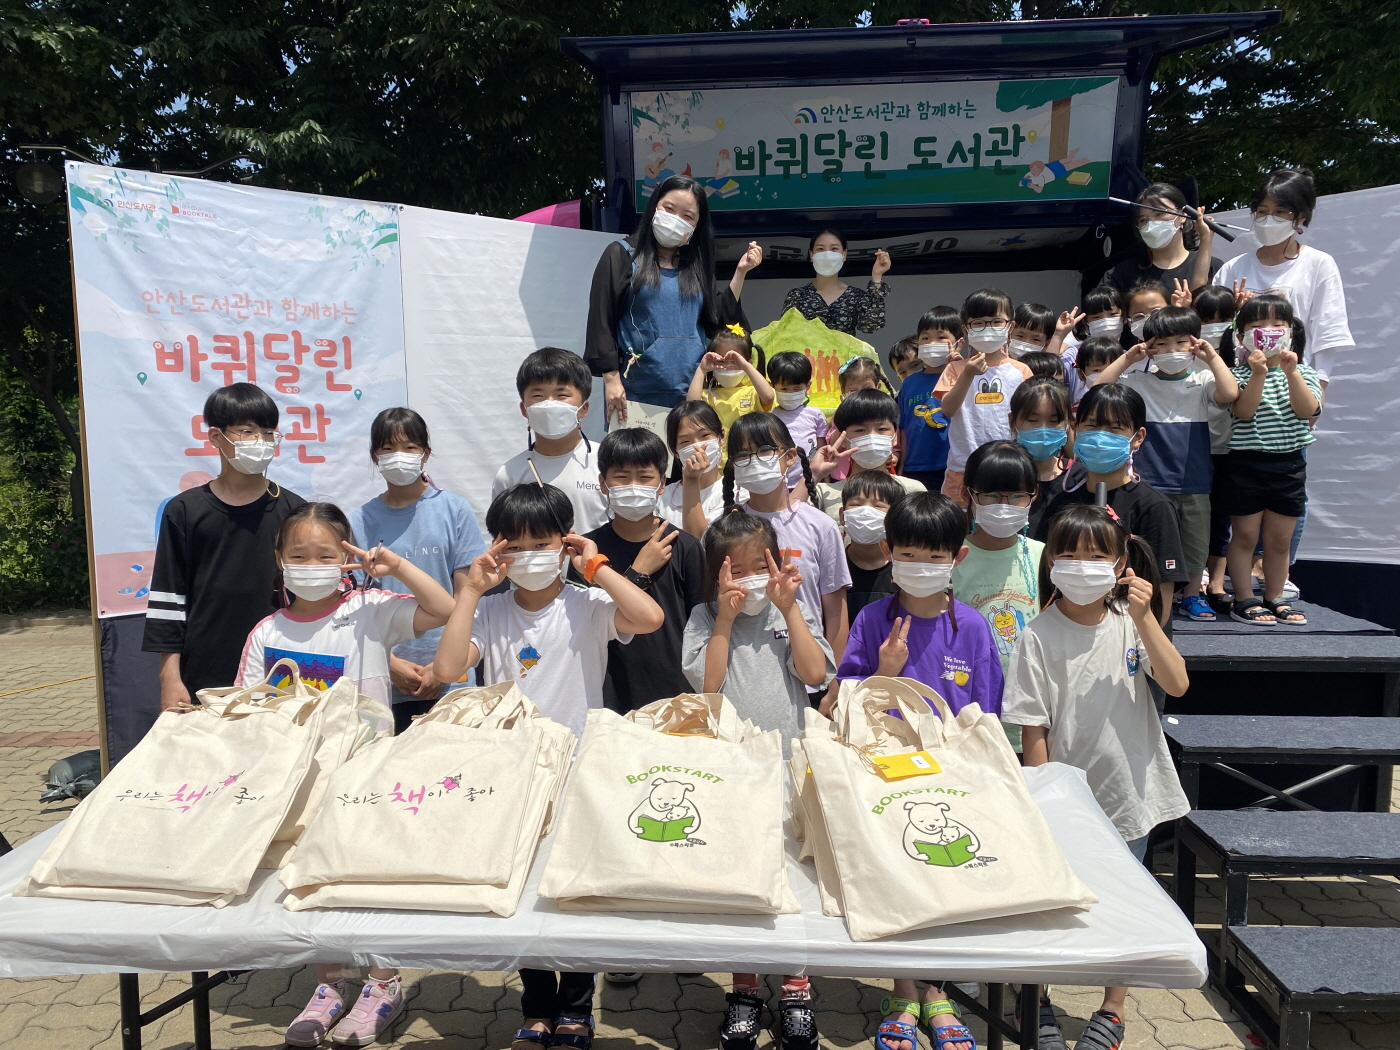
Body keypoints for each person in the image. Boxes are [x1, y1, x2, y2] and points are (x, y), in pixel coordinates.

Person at [433, 483, 665, 1050]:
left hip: (578, 769)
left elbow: (650, 617)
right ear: (497, 549)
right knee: (518, 888)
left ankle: (577, 1010)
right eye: (514, 546)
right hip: (510, 771)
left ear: (565, 543)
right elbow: (446, 669)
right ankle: (536, 1006)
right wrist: (470, 591)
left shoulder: (587, 604)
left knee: (573, 890)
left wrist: (597, 566)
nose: (529, 556)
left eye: (542, 544)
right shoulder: (490, 611)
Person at [249, 502, 454, 1049]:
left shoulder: (368, 610)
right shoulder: (266, 632)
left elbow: (443, 608)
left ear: (346, 558)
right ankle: (331, 982)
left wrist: (396, 567)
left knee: (368, 877)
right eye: (299, 555)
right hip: (300, 783)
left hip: (365, 776)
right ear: (279, 559)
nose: (311, 565)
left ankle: (384, 983)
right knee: (313, 882)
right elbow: (252, 709)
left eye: (326, 555)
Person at [1003, 504, 1190, 1050]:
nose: (1081, 565)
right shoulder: (1037, 635)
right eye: (1068, 554)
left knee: (1125, 900)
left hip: (1130, 792)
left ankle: (1114, 1006)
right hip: (1065, 801)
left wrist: (1147, 617)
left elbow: (1177, 683)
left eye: (1095, 555)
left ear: (1120, 563)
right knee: (1049, 903)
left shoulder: (1130, 624)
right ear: (1050, 561)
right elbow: (1033, 728)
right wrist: (1045, 800)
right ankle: (1034, 997)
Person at [837, 490, 999, 1050]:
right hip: (888, 773)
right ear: (888, 552)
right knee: (900, 879)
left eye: (935, 557)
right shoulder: (872, 618)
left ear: (957, 558)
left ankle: (937, 992)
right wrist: (884, 671)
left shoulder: (972, 627)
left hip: (952, 778)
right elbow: (847, 699)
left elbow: (986, 712)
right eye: (909, 555)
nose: (922, 567)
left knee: (949, 880)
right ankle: (904, 991)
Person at [681, 510, 834, 1050]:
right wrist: (723, 621)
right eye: (735, 569)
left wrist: (790, 610)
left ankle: (796, 989)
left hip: (790, 769)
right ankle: (744, 989)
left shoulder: (791, 608)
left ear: (776, 563)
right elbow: (708, 686)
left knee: (794, 881)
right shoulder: (703, 617)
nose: (748, 580)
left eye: (757, 567)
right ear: (716, 573)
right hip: (732, 772)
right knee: (740, 877)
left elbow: (815, 675)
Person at [145, 382, 307, 712]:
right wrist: (169, 677)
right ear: (216, 437)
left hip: (280, 669)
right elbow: (169, 598)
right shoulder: (184, 511)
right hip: (205, 671)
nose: (259, 441)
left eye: (267, 433)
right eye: (247, 431)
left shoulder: (294, 510)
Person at [1092, 306, 1241, 621]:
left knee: (1195, 542)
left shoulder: (1203, 378)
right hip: (1148, 480)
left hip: (1194, 479)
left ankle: (1192, 595)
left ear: (1194, 343)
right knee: (1146, 542)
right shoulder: (1138, 381)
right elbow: (1099, 389)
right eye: (1161, 344)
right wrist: (1127, 358)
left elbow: (1230, 393)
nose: (1172, 350)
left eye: (1180, 342)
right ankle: (1143, 594)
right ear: (1149, 347)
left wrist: (1212, 357)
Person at [349, 407, 487, 732]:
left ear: (425, 453)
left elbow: (467, 593)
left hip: (452, 677)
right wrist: (390, 664)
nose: (399, 456)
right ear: (375, 456)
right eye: (388, 448)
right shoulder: (360, 521)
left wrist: (443, 667)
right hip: (386, 681)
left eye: (410, 447)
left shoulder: (454, 509)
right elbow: (355, 607)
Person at [585, 174, 763, 423]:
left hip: (692, 393)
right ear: (654, 206)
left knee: (691, 449)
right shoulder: (622, 255)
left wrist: (741, 272)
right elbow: (601, 321)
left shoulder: (697, 267)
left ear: (697, 226)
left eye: (688, 216)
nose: (676, 219)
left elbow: (718, 322)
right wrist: (611, 380)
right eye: (669, 209)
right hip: (635, 393)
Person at [1033, 383, 1189, 624]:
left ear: (1138, 437)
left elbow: (1161, 600)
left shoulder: (1154, 507)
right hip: (1068, 631)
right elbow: (1046, 577)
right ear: (1076, 429)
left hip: (1131, 636)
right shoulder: (1062, 502)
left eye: (1115, 428)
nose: (1101, 436)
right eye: (1092, 425)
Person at [1221, 295, 1322, 625]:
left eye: (1278, 324)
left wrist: (1291, 373)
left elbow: (1308, 411)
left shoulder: (1305, 373)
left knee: (1280, 540)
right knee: (1245, 536)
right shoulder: (1237, 374)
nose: (1269, 331)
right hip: (1246, 463)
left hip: (1289, 465)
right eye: (1258, 326)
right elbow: (1243, 411)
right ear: (1242, 337)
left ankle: (1276, 596)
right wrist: (1258, 373)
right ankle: (1244, 597)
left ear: (1290, 331)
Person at [587, 428, 704, 710]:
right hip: (609, 694)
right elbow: (586, 624)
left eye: (644, 477)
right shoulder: (588, 552)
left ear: (662, 483)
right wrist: (637, 573)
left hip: (678, 694)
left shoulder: (685, 547)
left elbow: (703, 624)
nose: (633, 486)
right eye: (621, 477)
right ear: (603, 483)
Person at [722, 413, 851, 662]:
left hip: (809, 668)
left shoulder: (821, 527)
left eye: (765, 450)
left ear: (790, 456)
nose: (754, 461)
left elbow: (835, 612)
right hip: (743, 668)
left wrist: (833, 677)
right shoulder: (722, 530)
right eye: (742, 455)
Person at [1212, 167, 1353, 387]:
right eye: (1262, 211)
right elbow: (1213, 327)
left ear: (1301, 217)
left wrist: (1320, 385)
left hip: (1292, 385)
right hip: (1238, 384)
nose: (1269, 219)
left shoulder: (1318, 264)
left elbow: (1328, 331)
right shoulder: (1233, 268)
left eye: (1280, 212)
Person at [953, 441, 1045, 679]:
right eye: (991, 495)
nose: (1004, 506)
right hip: (972, 686)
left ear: (1034, 494)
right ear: (967, 493)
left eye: (1017, 496)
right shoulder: (950, 558)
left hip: (1032, 688)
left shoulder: (1043, 556)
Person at [493, 347, 608, 535]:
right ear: (524, 409)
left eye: (561, 395)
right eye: (538, 396)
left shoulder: (607, 462)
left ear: (584, 408)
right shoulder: (509, 474)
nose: (549, 403)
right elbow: (505, 538)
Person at [939, 288, 1032, 507]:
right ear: (966, 329)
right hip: (962, 467)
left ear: (1010, 327)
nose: (987, 328)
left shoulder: (1021, 371)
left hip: (1007, 466)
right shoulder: (955, 368)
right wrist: (968, 374)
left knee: (1002, 517)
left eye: (996, 322)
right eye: (978, 323)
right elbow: (948, 410)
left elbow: (1028, 418)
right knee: (958, 520)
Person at [1192, 285, 1241, 613]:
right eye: (1206, 319)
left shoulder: (1239, 355)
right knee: (1195, 518)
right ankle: (1192, 581)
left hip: (1226, 449)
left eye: (1223, 319)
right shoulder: (1185, 356)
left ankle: (1218, 582)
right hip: (1192, 448)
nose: (1214, 326)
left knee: (1221, 517)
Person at [813, 389, 924, 519]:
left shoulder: (912, 490)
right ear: (843, 439)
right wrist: (814, 474)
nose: (872, 436)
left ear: (895, 437)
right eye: (860, 430)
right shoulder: (823, 493)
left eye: (882, 429)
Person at [1102, 182, 1220, 294]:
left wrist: (1206, 239)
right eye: (1143, 220)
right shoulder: (1120, 274)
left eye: (1159, 214)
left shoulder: (1213, 267)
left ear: (1183, 216)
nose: (1150, 224)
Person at [897, 306, 963, 493]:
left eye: (941, 337)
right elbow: (903, 428)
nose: (932, 343)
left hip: (951, 466)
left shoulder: (964, 376)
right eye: (925, 338)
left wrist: (956, 368)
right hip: (915, 468)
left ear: (958, 342)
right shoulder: (909, 383)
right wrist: (902, 466)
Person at [782, 228, 891, 335]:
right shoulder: (798, 295)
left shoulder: (855, 296)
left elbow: (870, 326)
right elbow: (784, 333)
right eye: (820, 249)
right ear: (811, 254)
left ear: (844, 254)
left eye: (834, 249)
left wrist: (877, 277)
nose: (827, 255)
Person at [660, 400, 738, 536]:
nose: (697, 446)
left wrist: (691, 479)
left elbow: (700, 540)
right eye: (685, 441)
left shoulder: (739, 493)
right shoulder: (661, 497)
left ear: (721, 436)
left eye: (705, 436)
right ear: (675, 451)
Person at [1010, 378, 1074, 536]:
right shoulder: (998, 473)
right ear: (1012, 422)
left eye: (1054, 421)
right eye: (1033, 420)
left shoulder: (1079, 480)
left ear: (1068, 423)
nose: (1043, 429)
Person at [840, 470, 907, 620]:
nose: (866, 511)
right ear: (842, 516)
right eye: (856, 504)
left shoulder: (905, 572)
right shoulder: (833, 568)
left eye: (878, 506)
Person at [687, 324, 774, 435]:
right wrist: (701, 369)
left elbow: (768, 397)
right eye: (722, 361)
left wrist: (745, 366)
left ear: (748, 363)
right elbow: (691, 407)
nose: (728, 367)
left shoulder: (753, 392)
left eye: (734, 361)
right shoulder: (707, 395)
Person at [821, 357, 897, 484]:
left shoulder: (885, 414)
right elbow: (832, 443)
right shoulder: (839, 417)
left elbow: (894, 442)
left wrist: (895, 456)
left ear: (878, 387)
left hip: (879, 475)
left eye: (867, 388)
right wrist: (844, 416)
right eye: (853, 391)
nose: (861, 395)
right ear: (844, 396)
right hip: (843, 478)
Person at [768, 350, 830, 491]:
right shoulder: (770, 418)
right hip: (779, 488)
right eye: (784, 389)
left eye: (797, 389)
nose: (790, 393)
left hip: (810, 486)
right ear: (772, 386)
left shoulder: (816, 415)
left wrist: (825, 483)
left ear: (807, 386)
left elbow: (822, 451)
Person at [1064, 287, 1124, 406]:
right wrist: (1059, 336)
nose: (1106, 321)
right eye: (1097, 317)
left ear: (1124, 318)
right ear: (1086, 323)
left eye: (1112, 314)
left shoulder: (1131, 356)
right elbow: (1048, 372)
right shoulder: (1073, 355)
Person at [1073, 337, 1124, 410]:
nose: (1105, 376)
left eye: (1112, 369)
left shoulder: (1128, 407)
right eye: (1097, 370)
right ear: (1081, 374)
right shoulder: (1078, 411)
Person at [1121, 279, 1171, 348]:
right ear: (1129, 322)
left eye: (1156, 312)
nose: (1148, 319)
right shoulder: (1127, 354)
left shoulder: (1185, 349)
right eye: (1139, 316)